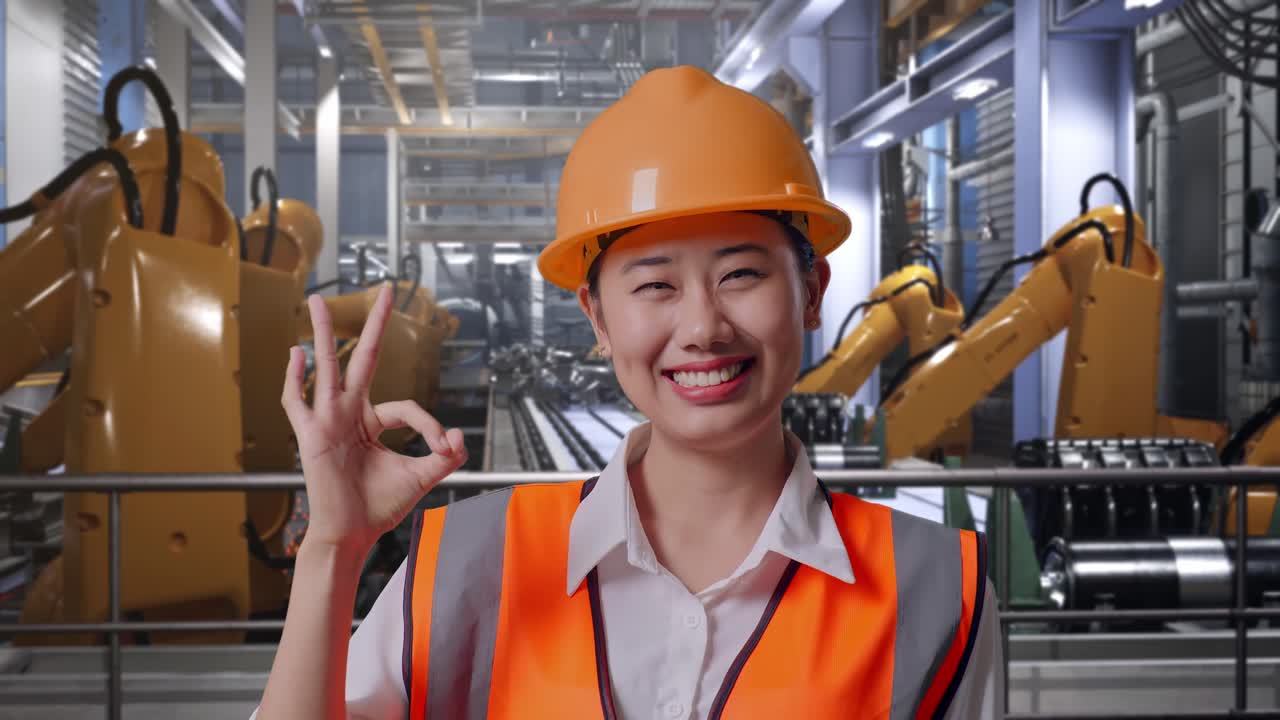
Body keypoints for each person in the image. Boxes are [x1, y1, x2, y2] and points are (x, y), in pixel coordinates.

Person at [253, 65, 1002, 720]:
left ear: (810, 292)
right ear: (598, 318)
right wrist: (333, 550)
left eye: (741, 274)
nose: (703, 327)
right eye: (655, 285)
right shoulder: (465, 568)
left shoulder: (940, 592)